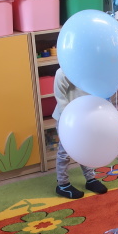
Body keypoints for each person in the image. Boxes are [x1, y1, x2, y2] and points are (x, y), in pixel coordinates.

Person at [50, 67, 108, 198]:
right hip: (67, 119)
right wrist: (67, 118)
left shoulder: (90, 70)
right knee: (65, 152)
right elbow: (60, 96)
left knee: (85, 148)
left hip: (84, 117)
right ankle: (62, 184)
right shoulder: (64, 72)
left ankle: (90, 178)